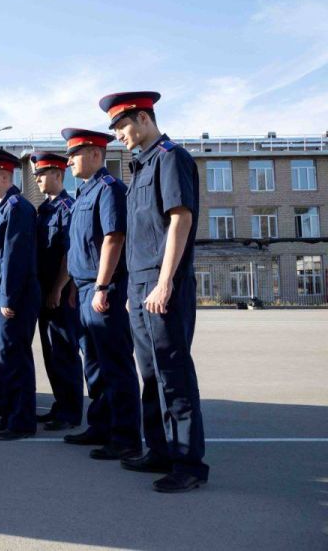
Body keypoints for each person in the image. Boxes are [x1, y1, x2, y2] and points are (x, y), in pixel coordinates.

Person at [105, 91, 209, 493]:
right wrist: (135, 285)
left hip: (164, 282)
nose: (119, 136)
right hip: (140, 283)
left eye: (122, 127)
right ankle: (160, 450)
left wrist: (165, 281)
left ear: (144, 118)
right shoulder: (140, 166)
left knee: (173, 372)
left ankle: (188, 463)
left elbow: (180, 218)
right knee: (150, 373)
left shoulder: (170, 157)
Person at [62, 128, 142, 461]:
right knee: (93, 364)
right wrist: (72, 286)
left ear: (96, 154)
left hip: (101, 289)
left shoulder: (109, 189)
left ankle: (125, 437)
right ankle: (100, 425)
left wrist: (102, 286)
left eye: (74, 154)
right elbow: (78, 245)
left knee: (115, 364)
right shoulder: (83, 193)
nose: (69, 162)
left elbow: (114, 238)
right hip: (82, 289)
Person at [0, 147, 40, 441]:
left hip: (13, 295)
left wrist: (9, 298)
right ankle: (8, 413)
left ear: (3, 175)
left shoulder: (17, 207)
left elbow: (16, 257)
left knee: (15, 358)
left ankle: (22, 421)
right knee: (3, 358)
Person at [29, 151, 83, 431]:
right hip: (45, 292)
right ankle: (60, 404)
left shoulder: (67, 208)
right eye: (36, 174)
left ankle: (71, 411)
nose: (37, 178)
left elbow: (69, 253)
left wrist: (58, 288)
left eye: (42, 173)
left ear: (59, 175)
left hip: (60, 293)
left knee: (65, 352)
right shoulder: (44, 209)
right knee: (51, 353)